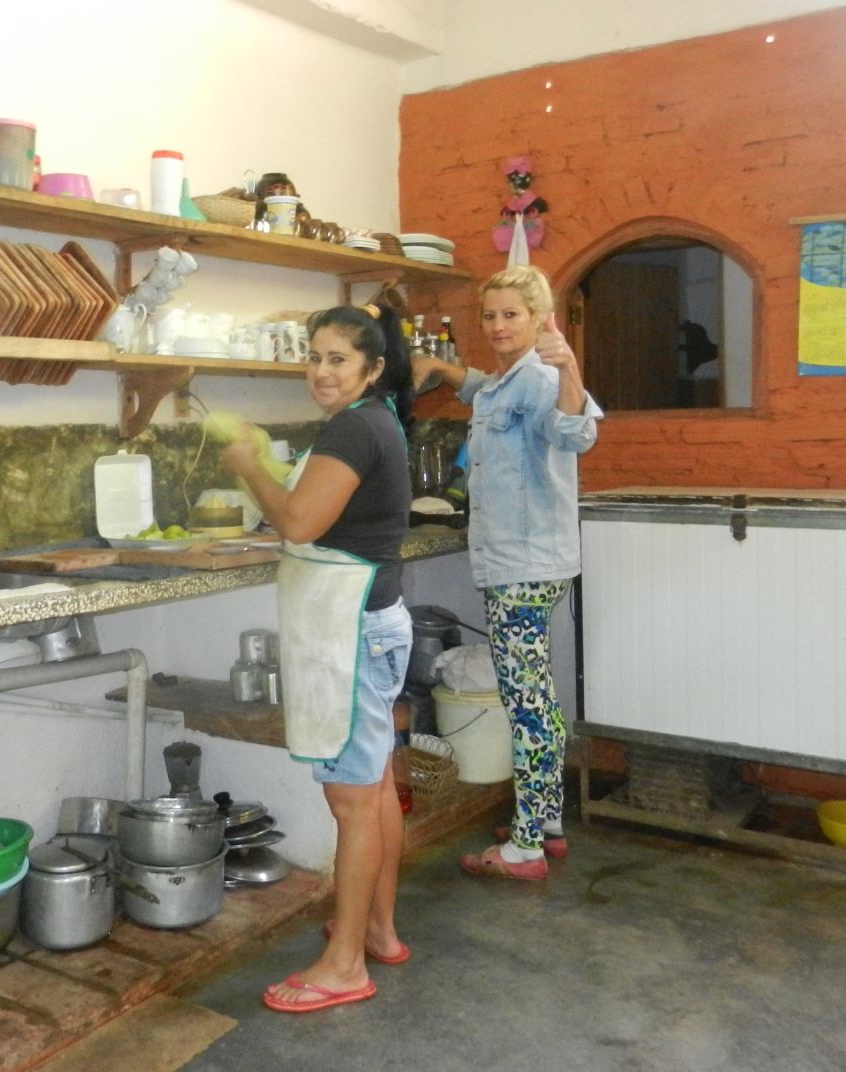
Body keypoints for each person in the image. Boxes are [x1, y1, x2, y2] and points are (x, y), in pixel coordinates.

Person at [221, 303, 414, 1012]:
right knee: (374, 789)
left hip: (351, 635)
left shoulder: (354, 428)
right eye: (314, 356)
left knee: (353, 803)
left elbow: (301, 520)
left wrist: (251, 469)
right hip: (370, 625)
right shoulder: (375, 420)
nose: (322, 371)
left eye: (338, 359)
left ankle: (344, 965)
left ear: (372, 367)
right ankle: (378, 930)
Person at [412, 265, 602, 881]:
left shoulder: (542, 376)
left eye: (511, 315)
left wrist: (569, 367)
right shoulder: (510, 378)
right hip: (526, 561)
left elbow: (576, 433)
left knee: (526, 702)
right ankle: (545, 822)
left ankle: (524, 849)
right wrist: (444, 371)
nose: (497, 325)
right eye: (489, 315)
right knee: (536, 693)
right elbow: (485, 390)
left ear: (540, 318)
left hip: (523, 564)